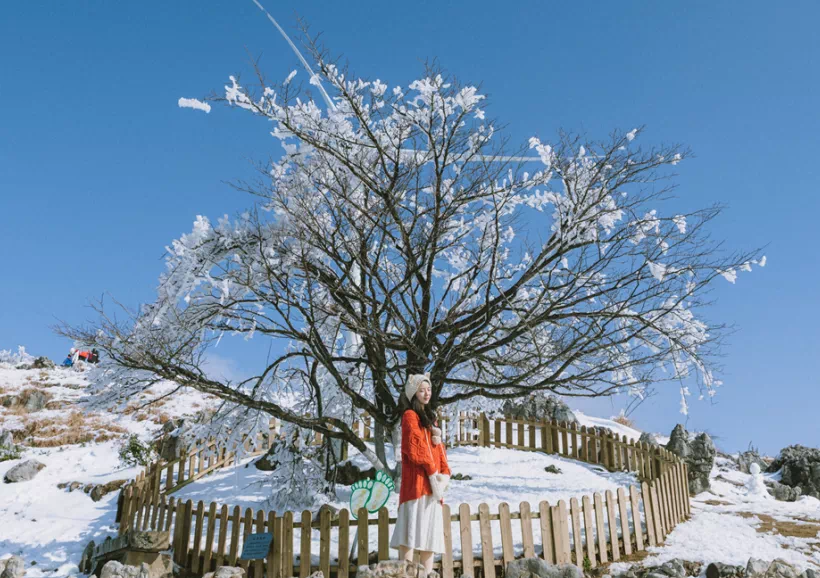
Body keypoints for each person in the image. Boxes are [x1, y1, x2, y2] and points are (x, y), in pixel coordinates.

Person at [390, 373, 451, 575]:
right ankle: (406, 574)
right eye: (422, 390)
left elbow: (438, 451)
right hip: (416, 484)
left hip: (432, 487)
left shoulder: (430, 420)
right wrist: (433, 471)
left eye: (429, 389)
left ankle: (426, 574)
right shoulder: (409, 416)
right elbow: (416, 450)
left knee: (429, 536)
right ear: (414, 393)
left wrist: (445, 472)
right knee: (410, 534)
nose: (427, 393)